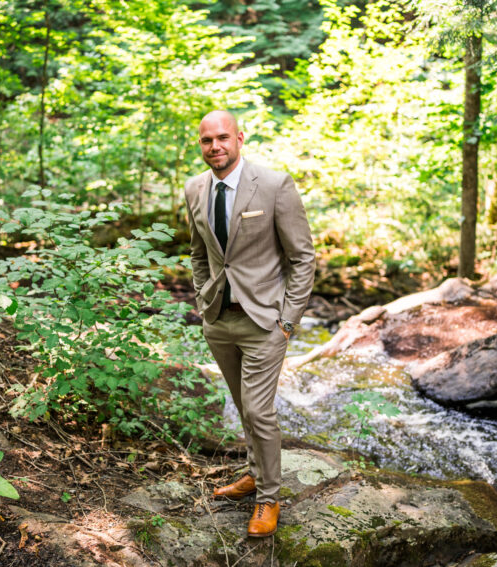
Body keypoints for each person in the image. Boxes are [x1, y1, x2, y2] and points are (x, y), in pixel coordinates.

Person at [184, 110, 315, 537]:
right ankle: (255, 473)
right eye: (207, 141)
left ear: (239, 138)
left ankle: (269, 497)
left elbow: (302, 258)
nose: (215, 146)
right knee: (244, 407)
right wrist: (204, 301)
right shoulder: (194, 189)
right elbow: (199, 253)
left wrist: (289, 322)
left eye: (223, 138)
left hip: (265, 322)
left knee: (259, 410)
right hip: (219, 320)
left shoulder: (275, 185)